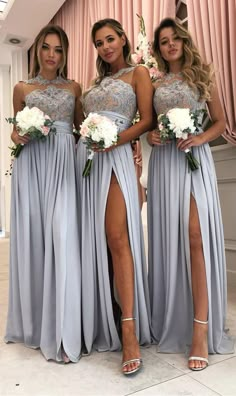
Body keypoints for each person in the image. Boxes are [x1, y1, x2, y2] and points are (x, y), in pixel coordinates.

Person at [147, 18, 235, 371]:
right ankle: (175, 318)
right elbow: (151, 123)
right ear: (159, 48)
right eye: (164, 41)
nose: (170, 45)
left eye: (175, 39)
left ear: (184, 41)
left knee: (195, 236)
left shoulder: (201, 76)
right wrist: (152, 136)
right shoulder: (154, 83)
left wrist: (200, 138)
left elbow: (219, 120)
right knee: (171, 241)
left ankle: (200, 329)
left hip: (194, 159)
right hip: (165, 163)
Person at [76, 18, 153, 375]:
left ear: (123, 39)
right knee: (97, 242)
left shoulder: (138, 74)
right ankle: (103, 315)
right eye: (99, 42)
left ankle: (130, 329)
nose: (105, 46)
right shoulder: (94, 85)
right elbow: (81, 121)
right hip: (88, 161)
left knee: (117, 237)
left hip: (117, 156)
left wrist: (115, 141)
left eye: (110, 39)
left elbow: (147, 120)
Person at [5, 24, 83, 363]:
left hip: (64, 164)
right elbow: (14, 131)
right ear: (38, 49)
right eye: (47, 48)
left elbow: (83, 127)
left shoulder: (75, 86)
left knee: (62, 239)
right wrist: (18, 136)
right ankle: (38, 324)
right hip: (33, 166)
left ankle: (65, 333)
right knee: (37, 242)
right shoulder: (22, 87)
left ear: (65, 54)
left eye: (59, 49)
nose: (52, 55)